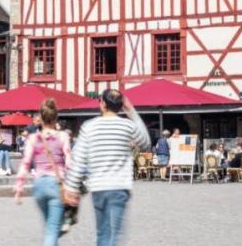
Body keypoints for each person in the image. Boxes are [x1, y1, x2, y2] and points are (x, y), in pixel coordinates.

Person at [64, 89, 151, 246]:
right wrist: (131, 110)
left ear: (103, 104)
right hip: (119, 187)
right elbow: (146, 143)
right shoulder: (128, 126)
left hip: (99, 188)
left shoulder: (88, 127)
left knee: (103, 234)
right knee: (115, 235)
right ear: (120, 105)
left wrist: (71, 187)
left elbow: (78, 159)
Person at [15, 99, 72, 245]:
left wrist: (19, 188)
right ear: (56, 117)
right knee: (53, 229)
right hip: (56, 184)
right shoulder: (63, 136)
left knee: (50, 227)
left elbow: (26, 163)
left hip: (39, 184)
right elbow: (70, 162)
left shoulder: (33, 138)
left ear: (41, 117)